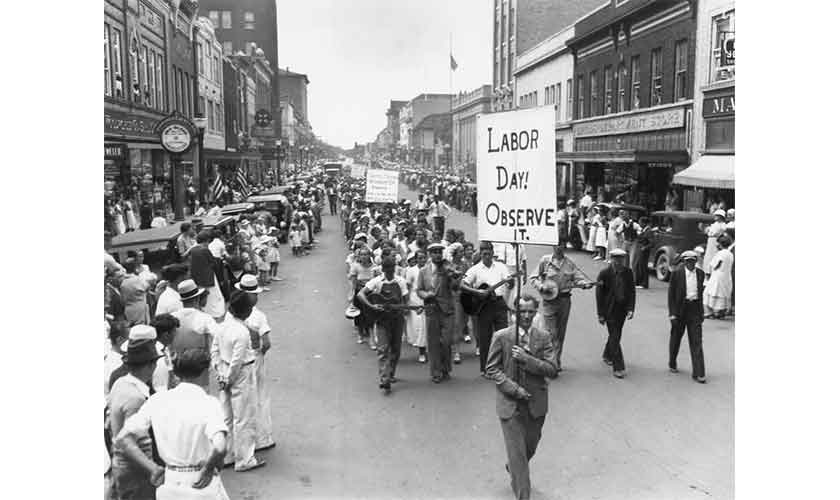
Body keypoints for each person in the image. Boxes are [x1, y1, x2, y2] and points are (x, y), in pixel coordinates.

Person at [114, 348, 231, 500]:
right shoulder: (209, 403)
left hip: (169, 483)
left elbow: (122, 438)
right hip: (200, 483)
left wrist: (153, 468)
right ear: (204, 373)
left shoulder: (157, 401)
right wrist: (209, 467)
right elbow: (220, 446)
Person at [485, 294, 558, 500]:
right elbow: (492, 368)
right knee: (518, 455)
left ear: (535, 313)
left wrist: (527, 360)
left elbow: (552, 369)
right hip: (510, 405)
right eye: (521, 311)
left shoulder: (543, 337)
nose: (526, 316)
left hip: (536, 405)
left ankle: (514, 467)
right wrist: (513, 389)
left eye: (530, 311)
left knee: (529, 448)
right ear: (513, 313)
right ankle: (523, 494)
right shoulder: (502, 336)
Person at [211, 291, 265, 472]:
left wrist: (220, 373)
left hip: (224, 369)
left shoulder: (222, 326)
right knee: (244, 417)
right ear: (246, 311)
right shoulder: (242, 332)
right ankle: (244, 459)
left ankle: (226, 455)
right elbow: (238, 359)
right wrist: (229, 378)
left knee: (226, 415)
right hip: (241, 373)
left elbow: (215, 351)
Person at [108, 337, 162, 500]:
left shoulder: (120, 383)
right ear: (151, 365)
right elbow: (130, 443)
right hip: (137, 471)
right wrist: (153, 468)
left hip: (121, 464)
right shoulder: (136, 398)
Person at [528, 243, 593, 371]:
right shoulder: (545, 261)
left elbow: (578, 278)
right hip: (549, 302)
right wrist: (541, 286)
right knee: (551, 333)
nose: (559, 247)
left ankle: (556, 361)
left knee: (560, 333)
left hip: (564, 301)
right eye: (557, 245)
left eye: (562, 245)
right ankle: (550, 362)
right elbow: (533, 277)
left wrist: (584, 283)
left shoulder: (570, 263)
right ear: (553, 246)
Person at [357, 257, 410, 395]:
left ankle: (390, 373)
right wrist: (371, 306)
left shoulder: (401, 281)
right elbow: (360, 294)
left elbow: (406, 301)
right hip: (382, 320)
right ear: (383, 269)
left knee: (396, 349)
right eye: (388, 269)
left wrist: (406, 308)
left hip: (397, 319)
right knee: (382, 349)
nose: (390, 272)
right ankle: (384, 379)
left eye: (392, 268)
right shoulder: (376, 282)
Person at [461, 241, 514, 377]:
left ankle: (503, 367)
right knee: (485, 338)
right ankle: (486, 369)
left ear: (492, 252)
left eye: (488, 251)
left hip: (499, 303)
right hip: (484, 306)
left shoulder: (501, 267)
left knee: (504, 335)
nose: (486, 254)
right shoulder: (475, 269)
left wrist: (511, 282)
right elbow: (462, 284)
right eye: (483, 252)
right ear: (480, 253)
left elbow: (510, 284)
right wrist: (476, 292)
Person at [235, 275, 275, 451]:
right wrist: (260, 353)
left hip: (238, 361)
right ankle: (263, 438)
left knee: (242, 401)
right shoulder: (258, 315)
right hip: (255, 358)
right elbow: (266, 343)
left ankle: (243, 442)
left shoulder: (233, 314)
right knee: (260, 396)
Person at [416, 242, 458, 383]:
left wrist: (453, 276)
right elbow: (419, 289)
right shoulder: (423, 271)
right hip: (431, 309)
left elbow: (455, 287)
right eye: (434, 252)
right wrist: (425, 295)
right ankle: (436, 372)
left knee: (446, 341)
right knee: (433, 342)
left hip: (447, 309)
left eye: (440, 252)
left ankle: (446, 368)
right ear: (430, 254)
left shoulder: (448, 267)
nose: (438, 255)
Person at [171, 280, 221, 391]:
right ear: (197, 298)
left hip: (178, 366)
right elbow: (219, 335)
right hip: (199, 368)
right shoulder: (204, 318)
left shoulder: (172, 317)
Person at [595, 249, 636, 378]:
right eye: (615, 259)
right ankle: (618, 367)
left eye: (621, 259)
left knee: (616, 334)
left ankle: (607, 354)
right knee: (615, 336)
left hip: (622, 310)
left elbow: (631, 292)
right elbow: (599, 295)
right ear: (611, 259)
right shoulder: (604, 274)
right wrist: (600, 314)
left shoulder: (628, 273)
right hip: (609, 310)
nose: (618, 262)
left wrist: (630, 309)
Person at [668, 250, 706, 383]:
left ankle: (699, 372)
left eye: (693, 261)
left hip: (694, 309)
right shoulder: (676, 274)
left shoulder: (700, 274)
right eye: (688, 261)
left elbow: (701, 294)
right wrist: (672, 314)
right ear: (684, 262)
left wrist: (702, 312)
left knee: (696, 341)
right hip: (680, 310)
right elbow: (671, 295)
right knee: (676, 338)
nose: (690, 263)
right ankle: (672, 361)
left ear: (696, 261)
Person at [191, 230, 227, 320]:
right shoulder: (204, 250)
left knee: (204, 295)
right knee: (213, 296)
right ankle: (216, 313)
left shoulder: (194, 250)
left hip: (198, 277)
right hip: (208, 276)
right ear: (206, 240)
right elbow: (213, 262)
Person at [404, 250, 428, 363]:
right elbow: (408, 286)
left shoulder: (430, 269)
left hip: (428, 299)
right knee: (419, 327)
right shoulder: (411, 270)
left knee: (427, 326)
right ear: (416, 259)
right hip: (415, 300)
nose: (422, 260)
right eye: (420, 258)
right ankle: (421, 351)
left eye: (424, 258)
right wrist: (407, 302)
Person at [703, 234, 734, 319]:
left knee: (708, 293)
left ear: (720, 244)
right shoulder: (730, 254)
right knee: (723, 294)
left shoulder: (720, 253)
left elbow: (715, 265)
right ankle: (721, 312)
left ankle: (708, 312)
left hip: (718, 275)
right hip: (726, 275)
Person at [120, 259, 151, 326]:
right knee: (142, 329)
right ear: (135, 268)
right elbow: (147, 287)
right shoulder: (138, 279)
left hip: (128, 309)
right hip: (139, 307)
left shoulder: (122, 281)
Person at [703, 210, 727, 274]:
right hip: (710, 241)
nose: (715, 216)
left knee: (714, 255)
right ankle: (707, 270)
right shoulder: (714, 224)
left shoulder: (723, 225)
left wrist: (713, 233)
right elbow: (707, 231)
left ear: (721, 216)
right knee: (708, 255)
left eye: (717, 215)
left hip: (716, 241)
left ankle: (713, 270)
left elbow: (720, 233)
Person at [634, 217, 653, 289]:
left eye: (640, 222)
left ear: (644, 223)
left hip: (644, 251)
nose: (639, 224)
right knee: (638, 266)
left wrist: (645, 247)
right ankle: (638, 282)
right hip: (640, 250)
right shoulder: (643, 230)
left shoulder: (649, 231)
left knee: (643, 267)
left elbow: (652, 243)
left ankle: (644, 283)